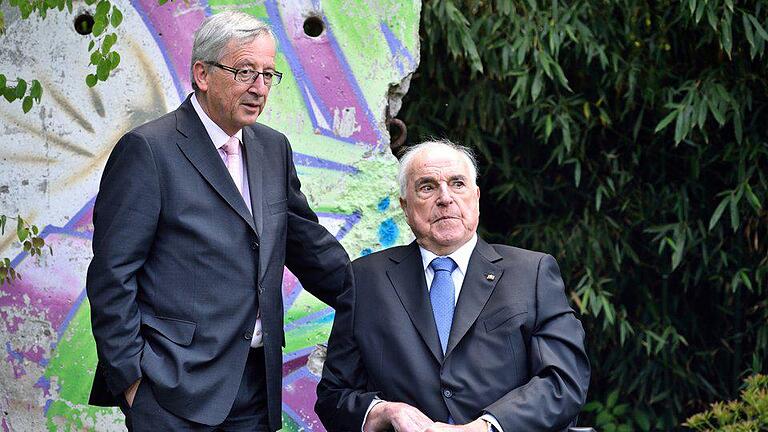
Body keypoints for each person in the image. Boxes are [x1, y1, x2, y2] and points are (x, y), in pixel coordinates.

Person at [86, 11, 350, 431]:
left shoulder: (272, 148)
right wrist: (132, 383)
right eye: (245, 71)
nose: (259, 88)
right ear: (202, 74)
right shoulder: (148, 150)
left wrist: (386, 295)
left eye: (268, 75)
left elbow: (309, 246)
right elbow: (111, 275)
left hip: (255, 387)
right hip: (172, 389)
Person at [315, 139, 590, 432]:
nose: (445, 198)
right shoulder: (366, 279)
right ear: (405, 207)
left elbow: (564, 381)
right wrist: (383, 411)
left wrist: (485, 427)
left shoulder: (531, 273)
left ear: (476, 197)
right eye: (427, 186)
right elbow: (334, 395)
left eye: (457, 184)